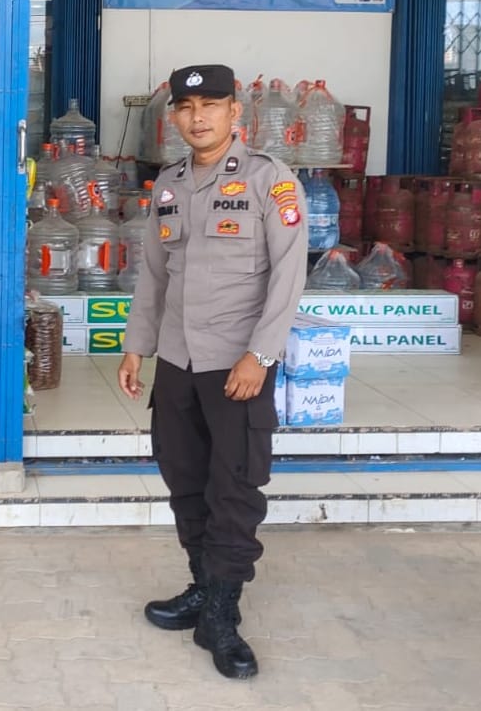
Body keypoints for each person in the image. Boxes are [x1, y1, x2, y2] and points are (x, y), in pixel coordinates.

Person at [118, 64, 308, 680]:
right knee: (185, 479)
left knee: (234, 488)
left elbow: (289, 274)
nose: (197, 117)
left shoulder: (269, 179)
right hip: (178, 361)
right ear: (174, 116)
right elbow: (153, 275)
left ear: (234, 113)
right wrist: (136, 347)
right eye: (186, 107)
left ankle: (222, 614)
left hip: (236, 364)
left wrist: (262, 354)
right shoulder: (168, 185)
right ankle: (202, 587)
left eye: (210, 105)